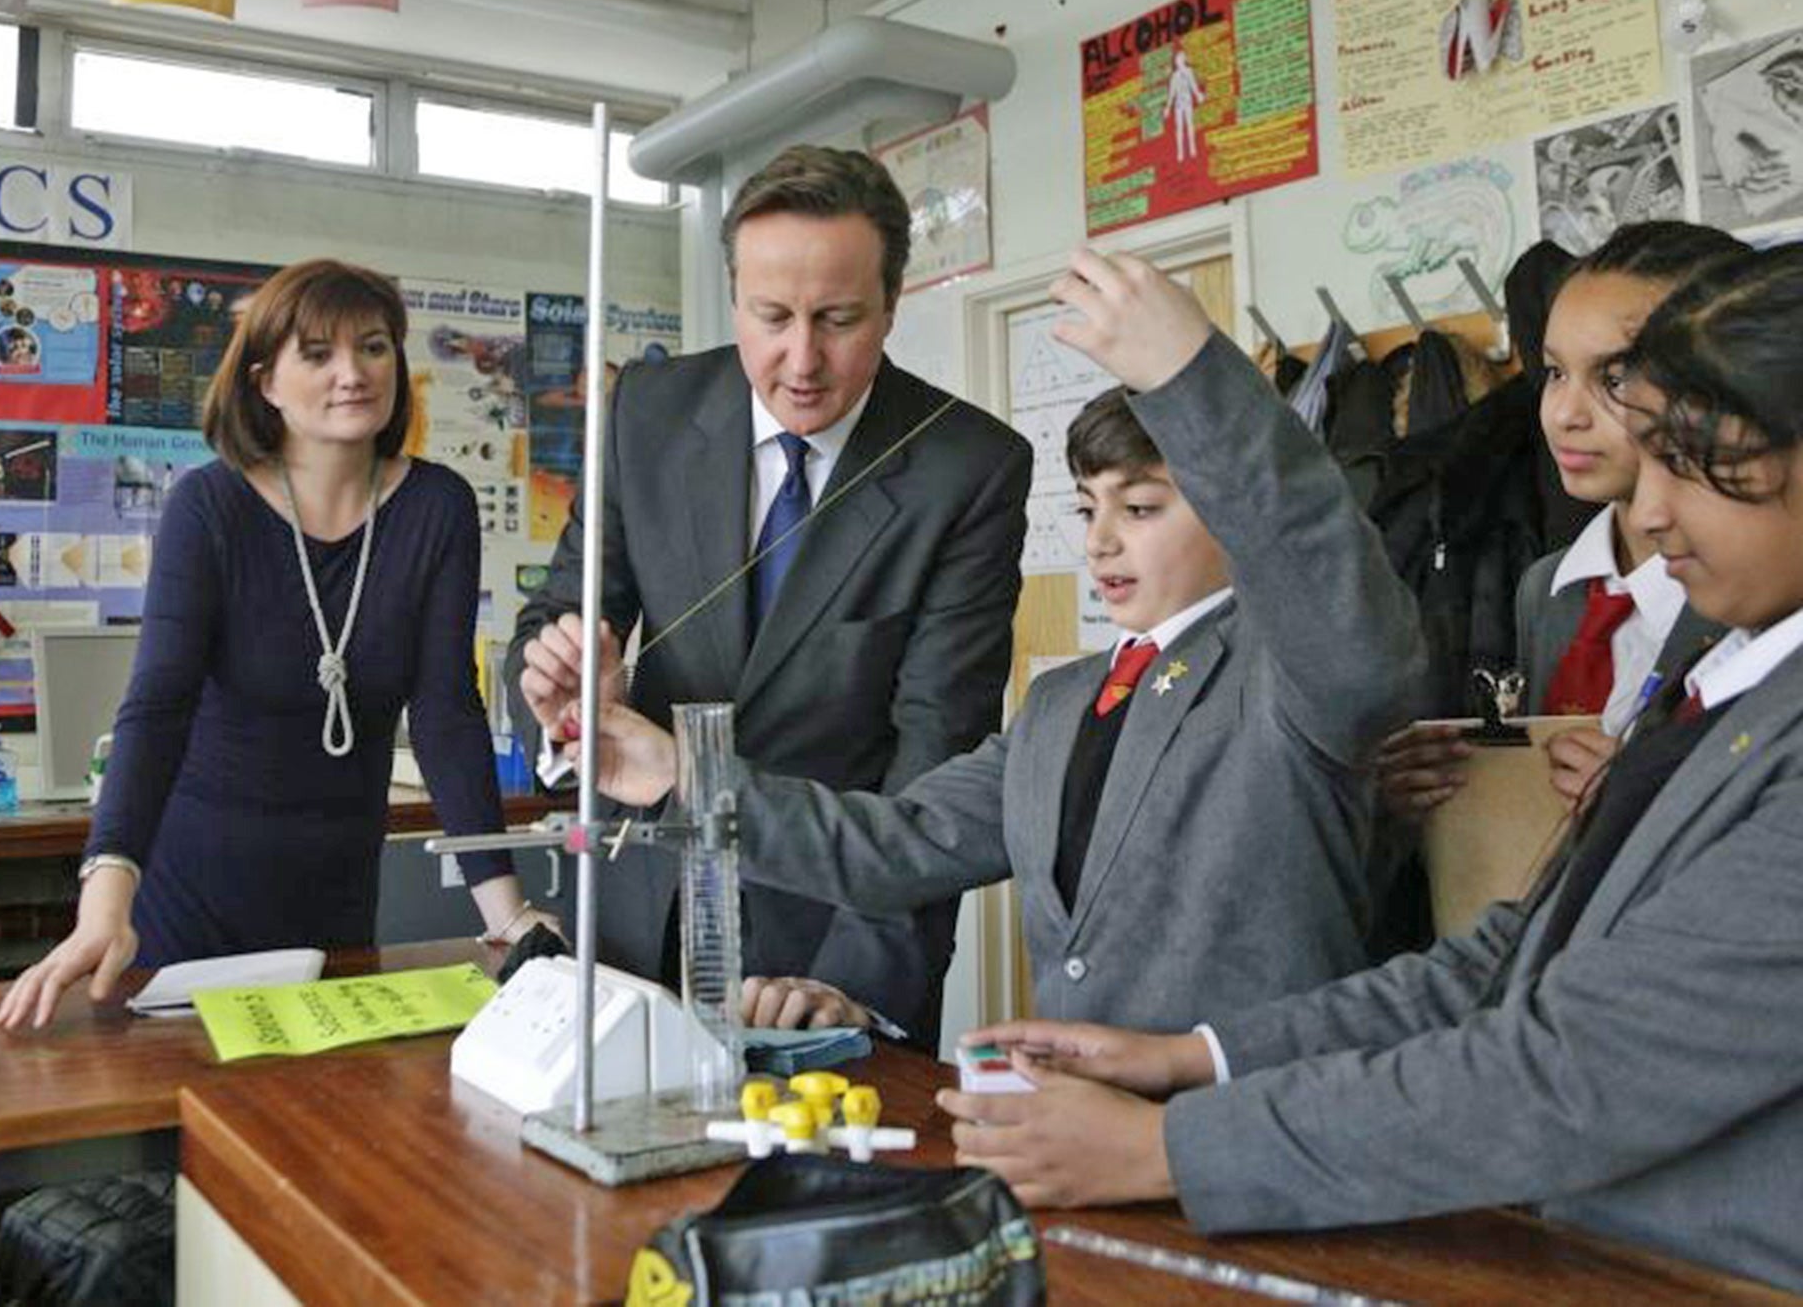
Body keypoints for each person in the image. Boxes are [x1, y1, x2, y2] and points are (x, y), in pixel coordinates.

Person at [936, 247, 1803, 1295]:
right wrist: (1188, 1058)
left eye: (1693, 461)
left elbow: (1569, 1071)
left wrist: (1162, 1149)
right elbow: (1500, 964)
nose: (1650, 513)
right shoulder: (1714, 677)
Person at [582, 245, 1422, 1032]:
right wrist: (685, 777)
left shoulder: (1292, 681)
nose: (1100, 543)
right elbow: (896, 841)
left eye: (1140, 509)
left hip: (1259, 1134)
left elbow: (1337, 596)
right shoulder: (1060, 707)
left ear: (1227, 512)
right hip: (1084, 1139)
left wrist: (1193, 380)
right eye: (1088, 509)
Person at [507, 145, 1032, 1045]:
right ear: (734, 297)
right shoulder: (649, 411)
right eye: (772, 316)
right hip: (636, 924)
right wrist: (563, 695)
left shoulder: (968, 470)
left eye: (838, 318)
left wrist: (851, 988)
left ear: (893, 303)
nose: (802, 359)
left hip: (820, 948)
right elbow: (555, 618)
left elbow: (934, 764)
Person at [0, 259, 548, 1030]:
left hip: (337, 889)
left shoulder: (437, 507)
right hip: (192, 889)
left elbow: (447, 714)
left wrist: (508, 914)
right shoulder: (210, 507)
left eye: (374, 347)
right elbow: (157, 708)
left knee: (321, 1122)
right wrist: (102, 905)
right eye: (317, 354)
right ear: (265, 382)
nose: (352, 373)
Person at [1375, 222, 1747, 819]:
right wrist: (1447, 784)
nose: (1565, 414)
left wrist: (1646, 799)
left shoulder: (1752, 597)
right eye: (1554, 373)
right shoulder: (1547, 590)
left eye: (1615, 378)